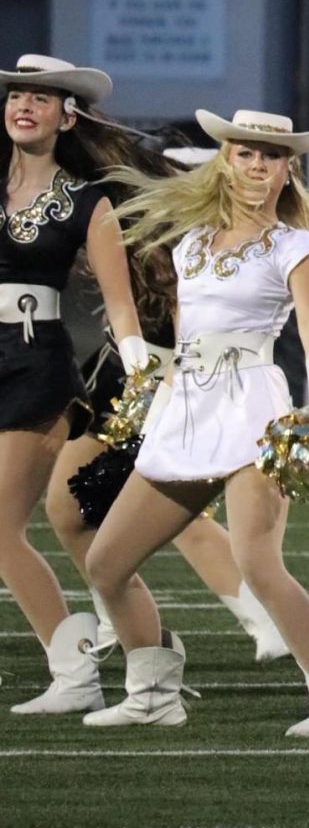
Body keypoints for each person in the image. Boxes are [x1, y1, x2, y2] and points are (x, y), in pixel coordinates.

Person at [82, 109, 309, 735]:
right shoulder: (191, 244)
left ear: (287, 169)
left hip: (252, 408)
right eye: (245, 153)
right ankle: (154, 691)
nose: (257, 165)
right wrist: (148, 381)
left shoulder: (294, 245)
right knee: (106, 561)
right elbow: (186, 332)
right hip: (186, 406)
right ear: (225, 160)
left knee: (258, 563)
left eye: (271, 156)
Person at [0, 54, 149, 715]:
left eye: (40, 98)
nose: (23, 105)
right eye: (15, 96)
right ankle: (75, 664)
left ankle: (75, 671)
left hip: (36, 367)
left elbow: (121, 307)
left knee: (1, 530)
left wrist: (143, 374)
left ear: (68, 116)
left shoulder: (90, 203)